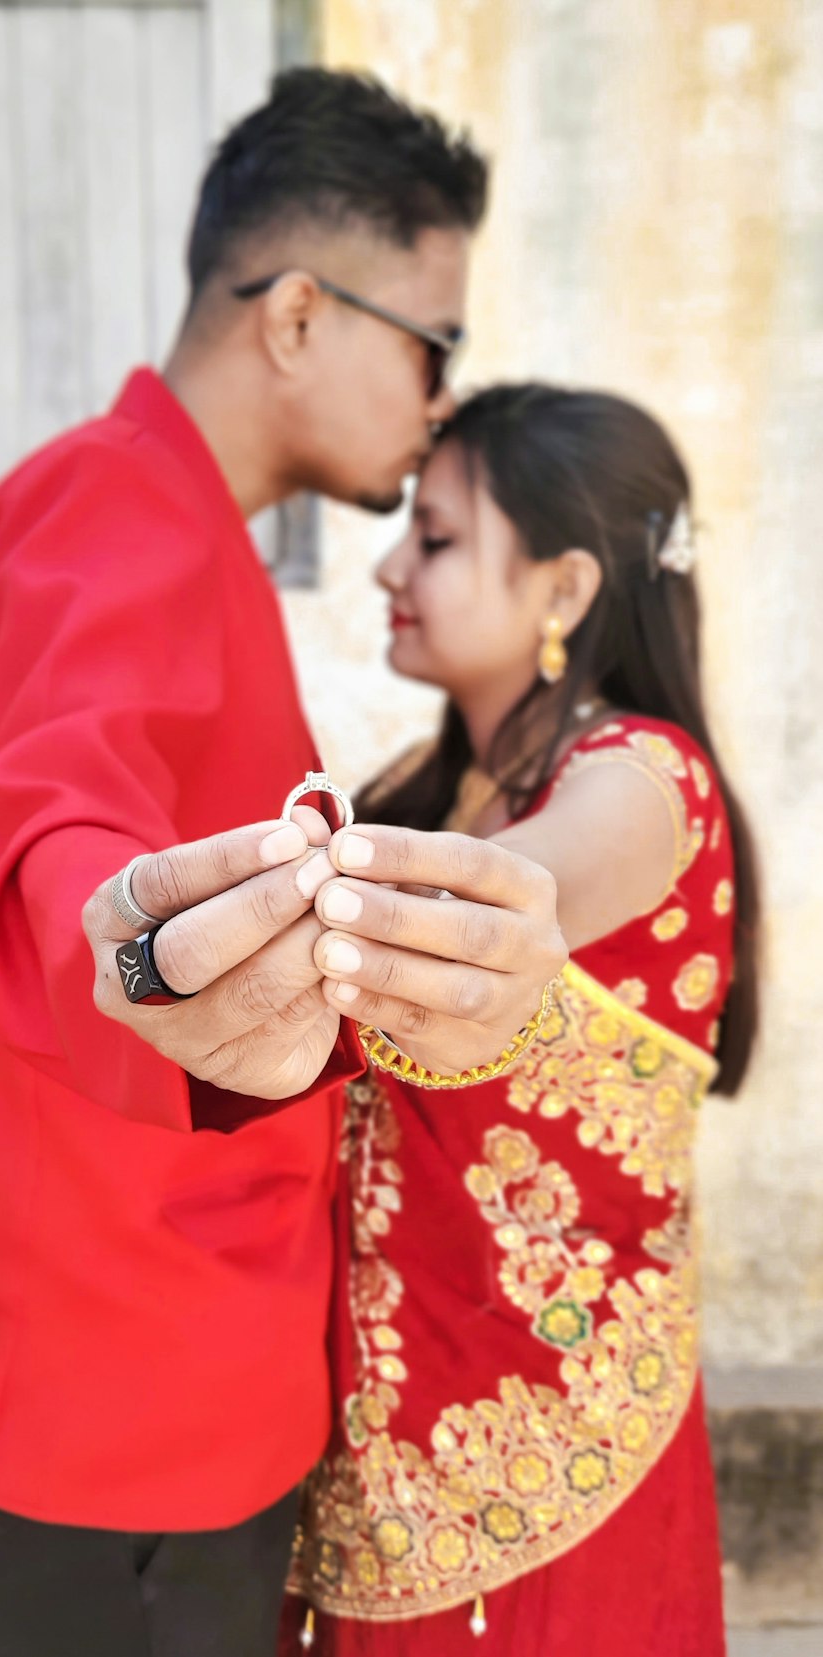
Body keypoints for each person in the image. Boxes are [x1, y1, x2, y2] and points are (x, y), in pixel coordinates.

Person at [0, 73, 567, 1657]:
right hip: (104, 1420)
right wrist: (130, 954)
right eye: (432, 343)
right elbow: (66, 826)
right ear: (292, 316)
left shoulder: (183, 527)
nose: (434, 405)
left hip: (182, 1388)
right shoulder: (113, 509)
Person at [282, 383, 760, 1656]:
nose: (390, 562)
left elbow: (513, 899)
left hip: (547, 1457)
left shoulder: (645, 783)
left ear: (561, 590)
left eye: (435, 538)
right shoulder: (434, 788)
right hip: (367, 1454)